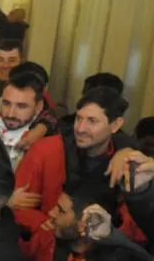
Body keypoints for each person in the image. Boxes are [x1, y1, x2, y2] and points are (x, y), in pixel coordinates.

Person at [14, 87, 132, 232]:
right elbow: (19, 208)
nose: (81, 129)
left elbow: (131, 222)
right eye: (78, 118)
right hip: (47, 239)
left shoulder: (125, 159)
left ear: (115, 125)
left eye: (92, 121)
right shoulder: (46, 150)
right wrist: (50, 225)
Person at [0, 70, 48, 169]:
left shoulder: (47, 146)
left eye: (21, 106)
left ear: (39, 106)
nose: (11, 114)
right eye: (6, 103)